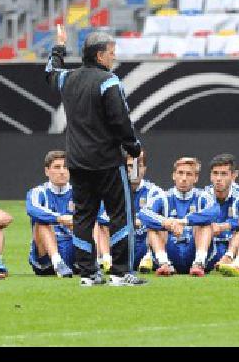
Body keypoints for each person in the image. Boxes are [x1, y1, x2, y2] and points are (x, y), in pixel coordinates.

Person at [46, 24, 145, 287]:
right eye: (111, 52)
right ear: (100, 56)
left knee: (83, 216)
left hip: (77, 162)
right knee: (119, 215)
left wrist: (59, 46)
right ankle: (121, 272)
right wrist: (134, 147)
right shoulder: (109, 82)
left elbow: (50, 72)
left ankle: (88, 274)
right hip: (108, 162)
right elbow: (121, 121)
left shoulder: (68, 79)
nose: (114, 57)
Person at [161, 154, 239, 275]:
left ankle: (232, 260)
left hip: (237, 247)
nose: (218, 178)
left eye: (223, 174)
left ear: (234, 175)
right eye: (215, 173)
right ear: (210, 175)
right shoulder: (204, 194)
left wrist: (225, 226)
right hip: (212, 247)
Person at [138, 157, 213, 276]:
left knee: (205, 224)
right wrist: (166, 222)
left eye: (189, 174)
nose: (183, 178)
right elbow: (143, 214)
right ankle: (164, 264)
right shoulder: (163, 197)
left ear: (196, 178)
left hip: (193, 248)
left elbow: (214, 212)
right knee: (153, 227)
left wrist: (184, 222)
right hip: (170, 249)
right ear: (174, 175)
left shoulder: (203, 196)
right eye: (180, 173)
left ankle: (199, 263)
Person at [95, 150, 165, 273]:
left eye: (139, 166)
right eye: (131, 166)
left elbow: (152, 218)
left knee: (158, 224)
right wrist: (132, 220)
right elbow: (101, 217)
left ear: (145, 168)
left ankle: (149, 258)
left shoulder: (155, 191)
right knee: (100, 226)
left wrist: (124, 219)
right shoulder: (111, 190)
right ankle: (107, 260)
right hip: (118, 241)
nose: (135, 171)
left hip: (143, 241)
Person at [26, 150, 76, 278]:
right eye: (57, 167)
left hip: (72, 246)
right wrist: (59, 218)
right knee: (41, 221)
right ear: (47, 171)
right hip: (45, 254)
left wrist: (75, 222)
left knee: (92, 222)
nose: (62, 171)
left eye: (65, 167)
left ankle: (97, 260)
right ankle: (57, 262)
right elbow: (32, 210)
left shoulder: (79, 192)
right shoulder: (38, 192)